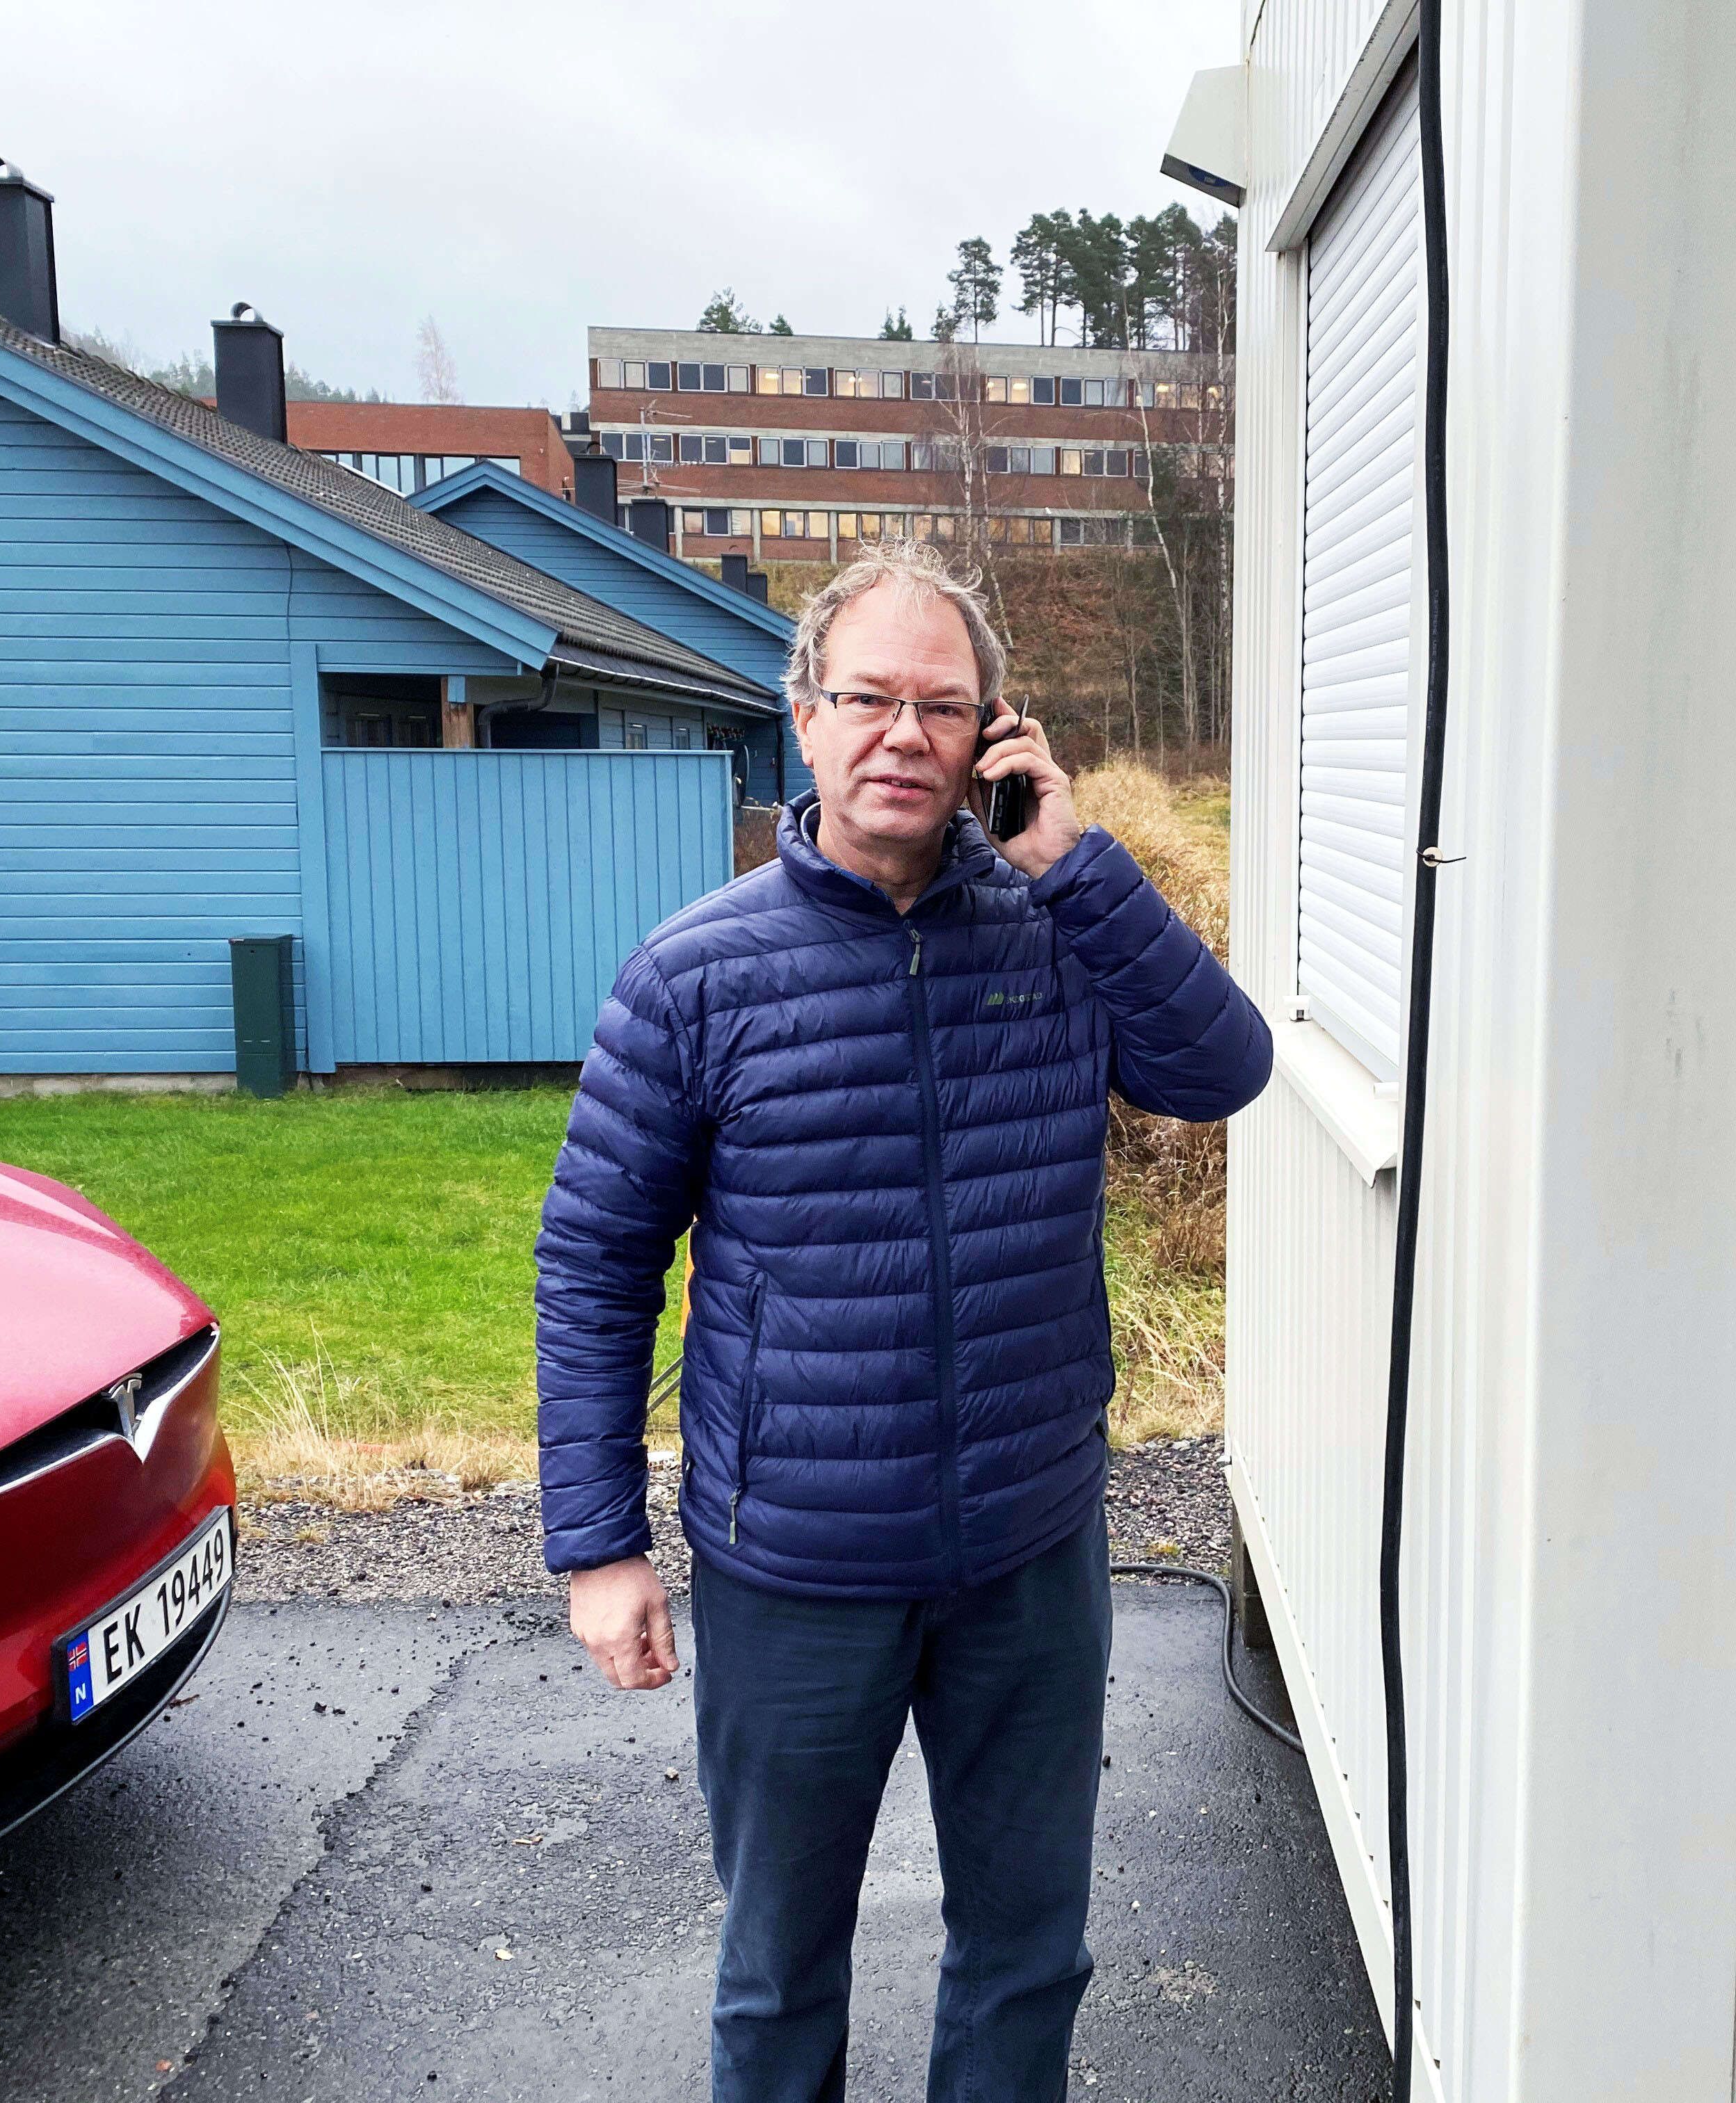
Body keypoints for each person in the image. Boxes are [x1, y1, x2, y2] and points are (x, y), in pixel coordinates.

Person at [533, 537, 1273, 2103]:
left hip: (1029, 1551)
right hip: (797, 1566)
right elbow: (595, 1265)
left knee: (1029, 1951)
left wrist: (1076, 862)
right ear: (803, 716)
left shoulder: (1061, 930)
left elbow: (1222, 1072)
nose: (903, 735)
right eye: (868, 698)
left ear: (994, 734)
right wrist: (599, 1546)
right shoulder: (695, 976)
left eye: (943, 706)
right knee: (779, 1971)